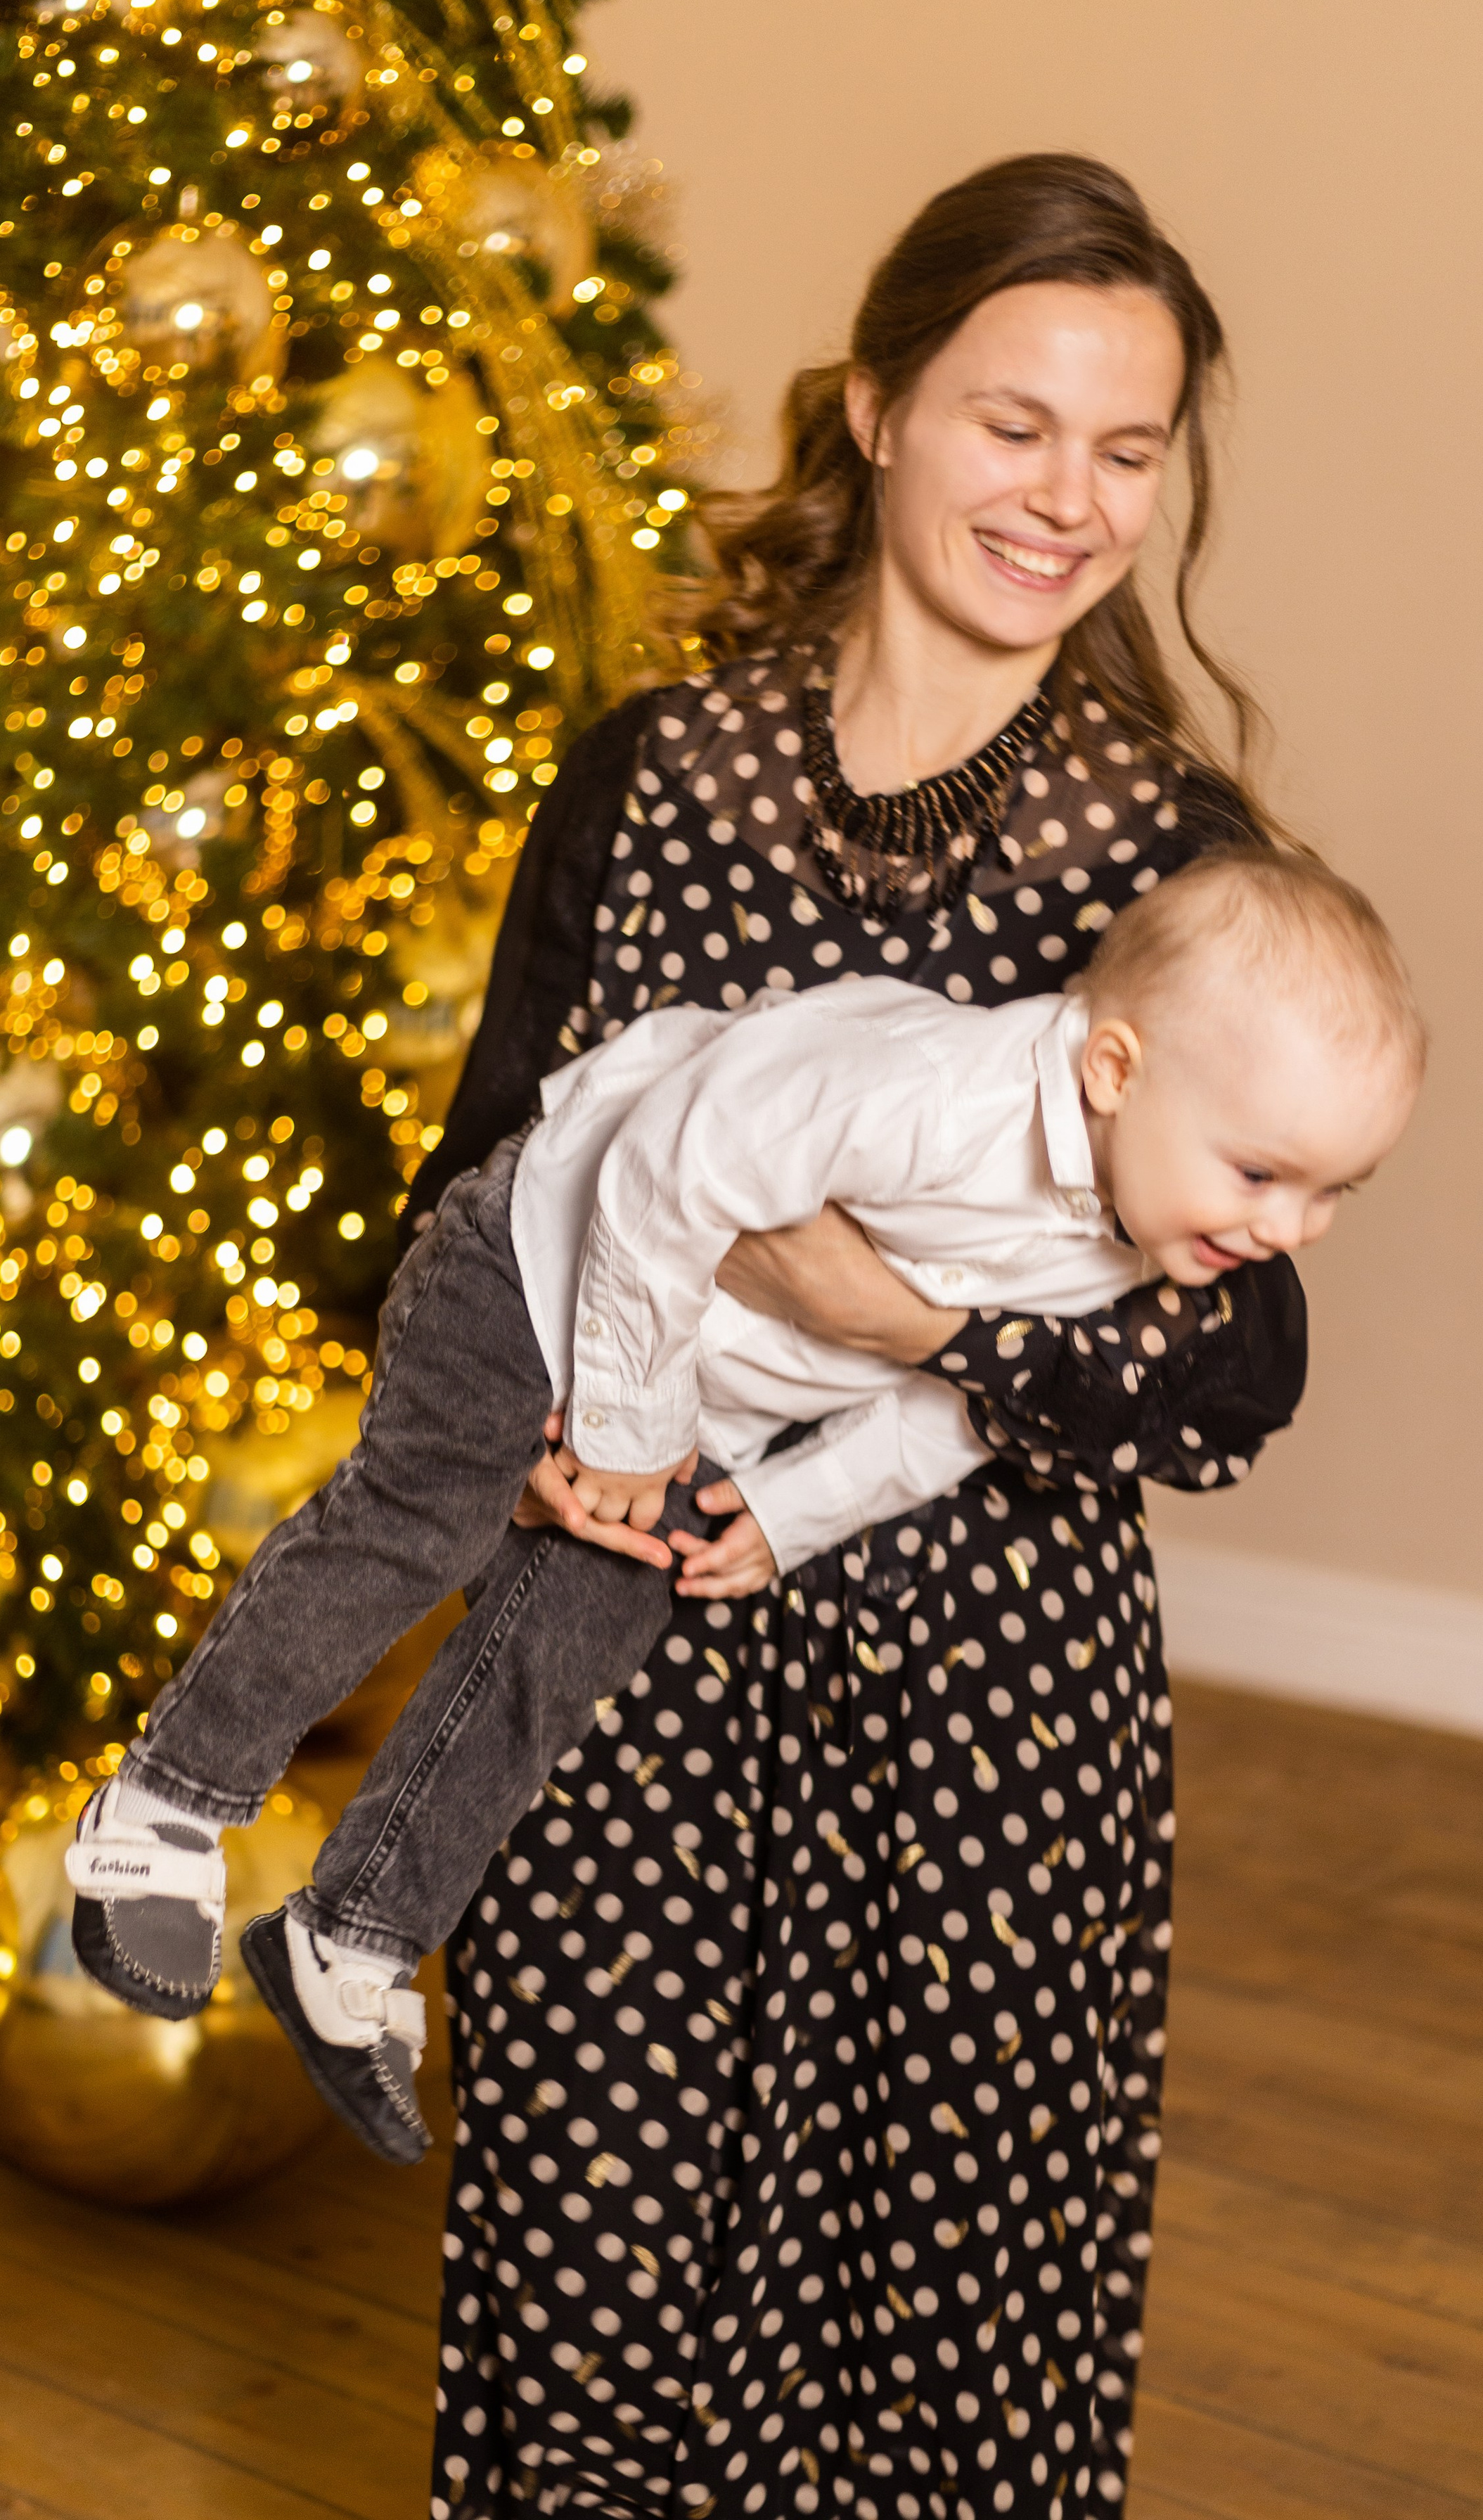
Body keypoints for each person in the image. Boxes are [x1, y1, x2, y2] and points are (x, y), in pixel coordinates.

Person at [401, 155, 1316, 2520]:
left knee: (939, 2355)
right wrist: (520, 1431)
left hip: (988, 1714)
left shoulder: (1173, 867)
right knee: (592, 2297)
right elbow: (468, 1193)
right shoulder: (647, 783)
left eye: (1128, 449)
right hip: (618, 1665)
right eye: (1017, 424)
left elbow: (1238, 1376)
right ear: (884, 405)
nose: (1070, 498)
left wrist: (917, 1328)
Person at [67, 848, 1418, 2183]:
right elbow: (669, 1167)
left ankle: (351, 1934)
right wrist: (629, 1432)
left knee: (568, 1651)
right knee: (415, 1523)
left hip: (687, 1405)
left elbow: (959, 1406)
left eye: (1333, 1192)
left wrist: (786, 1505)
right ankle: (166, 1807)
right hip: (537, 1261)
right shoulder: (931, 1090)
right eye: (1263, 1174)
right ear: (1116, 1068)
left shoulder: (1130, 1241)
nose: (1294, 1227)